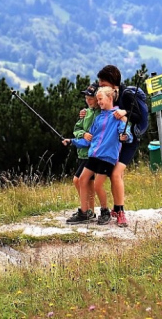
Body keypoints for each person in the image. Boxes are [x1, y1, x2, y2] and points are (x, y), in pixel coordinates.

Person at [67, 86, 131, 225]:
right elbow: (89, 138)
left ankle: (105, 211)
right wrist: (72, 141)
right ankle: (84, 212)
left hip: (107, 157)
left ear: (109, 98)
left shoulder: (118, 116)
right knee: (82, 179)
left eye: (100, 99)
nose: (99, 102)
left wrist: (124, 136)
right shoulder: (99, 118)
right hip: (94, 155)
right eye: (98, 100)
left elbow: (125, 133)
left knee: (97, 185)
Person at [96, 64, 147, 228]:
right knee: (114, 174)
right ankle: (116, 208)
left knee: (116, 173)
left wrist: (125, 112)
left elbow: (139, 116)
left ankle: (121, 213)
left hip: (130, 141)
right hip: (116, 141)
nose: (100, 86)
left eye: (103, 83)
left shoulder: (125, 95)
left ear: (112, 82)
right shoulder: (111, 95)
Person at [62, 83, 100, 222]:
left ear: (98, 98)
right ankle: (90, 211)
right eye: (86, 97)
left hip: (91, 154)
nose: (88, 100)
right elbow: (77, 129)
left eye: (91, 97)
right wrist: (82, 134)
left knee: (77, 180)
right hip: (82, 153)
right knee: (88, 183)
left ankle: (85, 211)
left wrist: (73, 140)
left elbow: (93, 138)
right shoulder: (86, 112)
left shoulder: (100, 115)